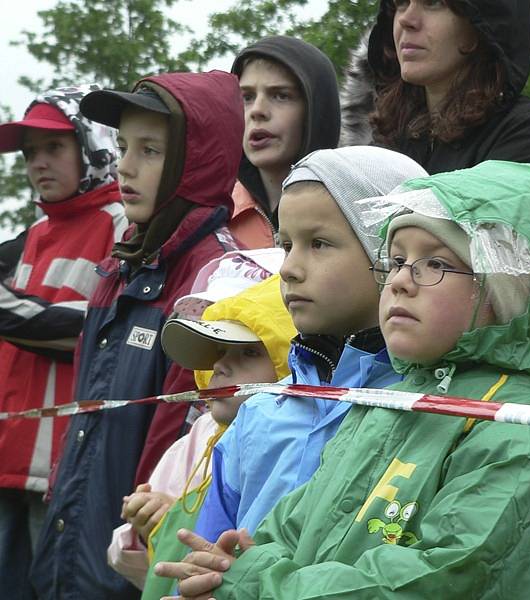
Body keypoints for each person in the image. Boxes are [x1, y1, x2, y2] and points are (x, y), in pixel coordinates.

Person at [154, 160, 530, 599]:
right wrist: (230, 570)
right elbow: (286, 530)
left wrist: (258, 582)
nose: (402, 280)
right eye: (398, 260)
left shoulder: (514, 433)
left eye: (435, 264)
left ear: (507, 294)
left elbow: (442, 580)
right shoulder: (380, 406)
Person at [30, 70, 244, 600]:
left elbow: (178, 449)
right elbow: (84, 420)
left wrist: (133, 549)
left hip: (132, 566)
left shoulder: (214, 277)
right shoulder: (120, 266)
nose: (125, 165)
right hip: (70, 550)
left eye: (150, 150)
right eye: (124, 146)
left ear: (196, 160)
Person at [192, 145, 428, 545]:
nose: (289, 268)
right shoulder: (259, 413)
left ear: (391, 256)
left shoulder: (428, 412)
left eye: (318, 243)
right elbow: (201, 559)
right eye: (286, 245)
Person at [0, 84, 124, 600]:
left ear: (90, 145)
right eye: (30, 153)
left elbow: (92, 325)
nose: (38, 164)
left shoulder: (120, 223)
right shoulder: (33, 233)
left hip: (61, 470)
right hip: (10, 457)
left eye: (54, 147)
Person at [108, 273, 296, 599]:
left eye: (249, 352)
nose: (220, 365)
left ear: (290, 365)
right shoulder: (197, 438)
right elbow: (130, 561)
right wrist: (146, 526)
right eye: (219, 349)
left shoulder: (293, 449)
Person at [363, 0, 530, 172]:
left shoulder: (528, 133)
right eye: (401, 2)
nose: (406, 19)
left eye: (433, 3)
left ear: (480, 24)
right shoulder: (390, 138)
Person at [230, 36, 341, 249]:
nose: (257, 110)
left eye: (281, 96)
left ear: (316, 112)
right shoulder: (215, 221)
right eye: (246, 97)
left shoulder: (353, 215)